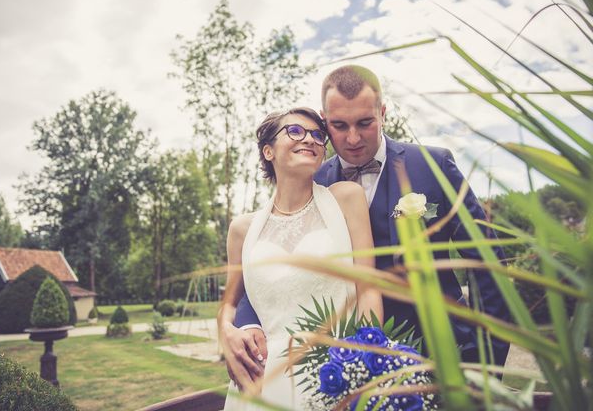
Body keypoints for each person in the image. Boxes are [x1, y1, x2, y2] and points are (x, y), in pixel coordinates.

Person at [227, 65, 511, 390]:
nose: (352, 138)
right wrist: (242, 325)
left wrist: (483, 370)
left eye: (365, 123)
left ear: (383, 113)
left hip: (443, 363)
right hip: (343, 372)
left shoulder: (433, 166)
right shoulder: (311, 180)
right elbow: (268, 267)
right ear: (325, 120)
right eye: (338, 125)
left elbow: (488, 265)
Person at [218, 107, 383, 410]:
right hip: (262, 381)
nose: (310, 139)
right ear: (268, 151)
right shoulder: (242, 230)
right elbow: (229, 302)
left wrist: (364, 364)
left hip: (335, 373)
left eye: (318, 135)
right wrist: (228, 333)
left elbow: (368, 288)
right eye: (295, 131)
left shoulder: (347, 198)